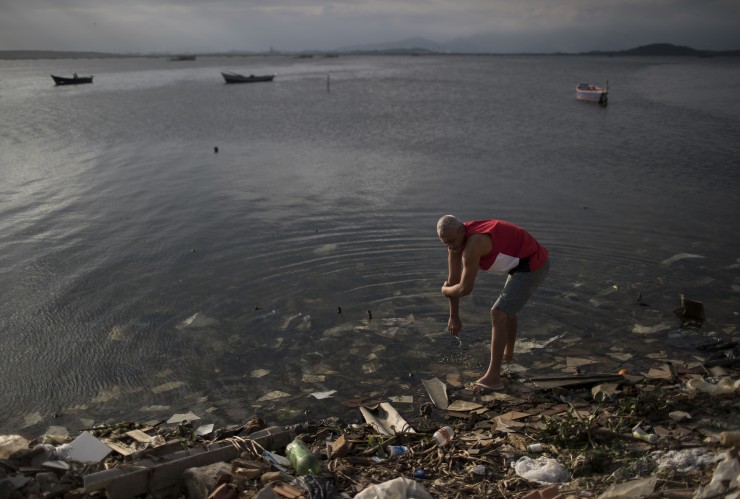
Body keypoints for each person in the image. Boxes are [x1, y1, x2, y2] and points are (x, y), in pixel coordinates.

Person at [437, 215, 549, 392]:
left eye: (452, 241)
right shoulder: (455, 242)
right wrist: (454, 316)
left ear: (461, 230)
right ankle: (508, 357)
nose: (450, 247)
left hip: (533, 263)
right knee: (507, 311)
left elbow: (465, 289)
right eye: (445, 243)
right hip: (518, 264)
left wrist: (444, 291)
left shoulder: (474, 244)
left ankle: (493, 378)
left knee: (498, 312)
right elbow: (453, 281)